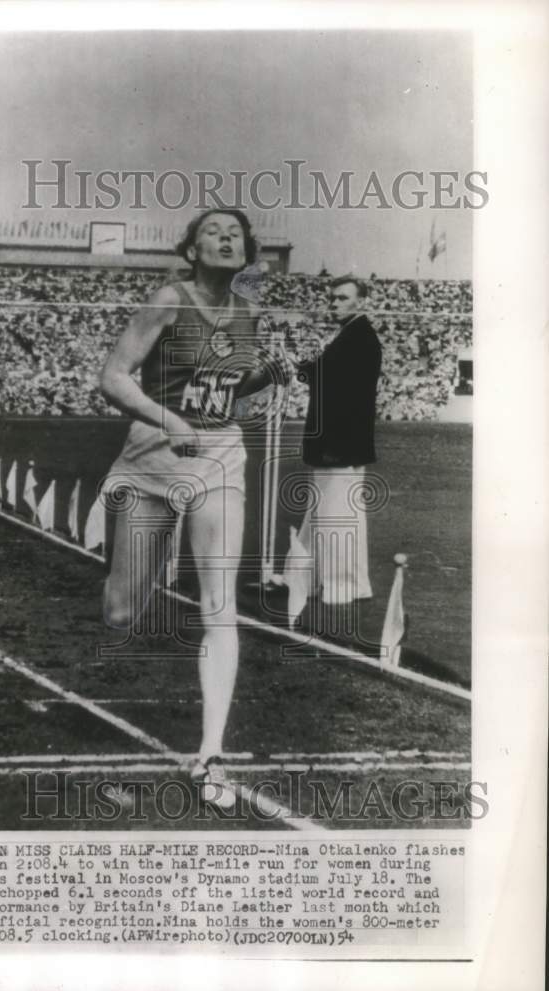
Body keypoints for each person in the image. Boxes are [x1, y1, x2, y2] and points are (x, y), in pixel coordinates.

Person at [99, 209, 286, 804]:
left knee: (218, 602)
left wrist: (261, 378)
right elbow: (114, 378)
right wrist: (170, 420)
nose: (227, 237)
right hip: (152, 457)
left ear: (248, 250)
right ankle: (140, 573)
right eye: (213, 231)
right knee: (123, 612)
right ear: (192, 247)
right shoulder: (167, 299)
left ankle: (211, 757)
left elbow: (223, 390)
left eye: (236, 232)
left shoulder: (249, 314)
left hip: (218, 455)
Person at [296, 276, 382, 608]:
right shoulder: (350, 335)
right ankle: (312, 577)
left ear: (361, 301)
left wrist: (303, 368)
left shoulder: (359, 338)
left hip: (340, 443)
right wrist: (302, 367)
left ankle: (340, 584)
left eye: (342, 298)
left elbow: (340, 390)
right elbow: (324, 376)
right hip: (336, 443)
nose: (334, 303)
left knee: (336, 514)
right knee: (325, 512)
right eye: (332, 298)